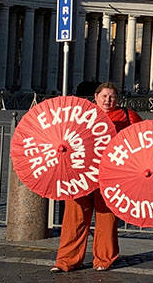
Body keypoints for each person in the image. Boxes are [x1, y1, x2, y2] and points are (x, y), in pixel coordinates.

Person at [51, 82, 140, 272]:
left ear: (118, 99)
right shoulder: (83, 114)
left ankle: (104, 259)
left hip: (111, 176)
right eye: (104, 96)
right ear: (96, 97)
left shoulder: (127, 115)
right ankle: (66, 260)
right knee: (74, 219)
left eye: (112, 97)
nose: (108, 100)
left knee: (106, 219)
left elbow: (140, 139)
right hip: (80, 174)